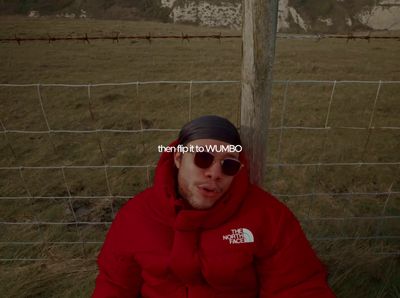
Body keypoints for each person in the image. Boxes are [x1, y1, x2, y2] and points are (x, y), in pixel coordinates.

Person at [92, 115, 335, 297]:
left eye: (228, 165)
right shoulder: (136, 216)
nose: (214, 173)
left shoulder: (267, 216)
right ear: (178, 158)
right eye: (203, 158)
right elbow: (114, 286)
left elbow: (298, 286)